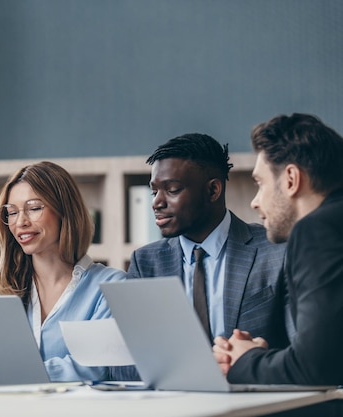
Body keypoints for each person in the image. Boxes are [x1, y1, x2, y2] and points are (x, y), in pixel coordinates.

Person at [111, 133, 288, 381]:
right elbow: (121, 365)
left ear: (213, 189)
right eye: (154, 192)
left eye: (172, 190)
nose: (157, 203)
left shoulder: (276, 250)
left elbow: (302, 353)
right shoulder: (146, 263)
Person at [213, 113, 343, 385]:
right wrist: (264, 357)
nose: (255, 202)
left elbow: (315, 369)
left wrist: (244, 360)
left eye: (260, 184)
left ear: (291, 179)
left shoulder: (316, 230)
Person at [0, 161, 126, 382]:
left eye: (34, 208)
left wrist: (10, 374)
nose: (20, 222)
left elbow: (93, 366)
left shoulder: (111, 286)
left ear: (64, 211)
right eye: (12, 212)